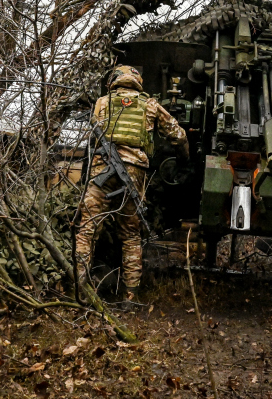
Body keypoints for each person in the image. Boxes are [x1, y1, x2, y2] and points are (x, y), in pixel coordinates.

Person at [76, 65, 188, 308]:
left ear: (113, 81)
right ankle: (130, 296)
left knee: (87, 229)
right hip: (134, 173)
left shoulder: (102, 103)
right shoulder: (150, 105)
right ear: (138, 80)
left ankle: (80, 292)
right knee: (130, 234)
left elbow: (91, 138)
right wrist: (184, 159)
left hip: (100, 171)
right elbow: (178, 135)